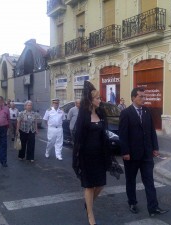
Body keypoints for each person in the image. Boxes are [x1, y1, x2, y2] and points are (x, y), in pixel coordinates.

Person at [119, 87, 168, 217]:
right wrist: (125, 152)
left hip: (146, 154)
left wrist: (155, 148)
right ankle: (132, 202)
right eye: (141, 96)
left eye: (144, 96)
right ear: (133, 98)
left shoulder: (147, 111)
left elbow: (152, 131)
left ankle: (153, 207)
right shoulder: (126, 113)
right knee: (131, 180)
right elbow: (123, 135)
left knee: (149, 181)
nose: (143, 99)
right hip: (132, 155)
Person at [73, 81, 112, 225]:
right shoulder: (84, 116)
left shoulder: (101, 114)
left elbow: (104, 135)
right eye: (98, 98)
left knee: (100, 185)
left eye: (100, 98)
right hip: (87, 156)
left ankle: (88, 204)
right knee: (89, 186)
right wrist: (77, 155)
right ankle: (90, 215)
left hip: (100, 155)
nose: (100, 100)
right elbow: (78, 137)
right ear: (91, 100)